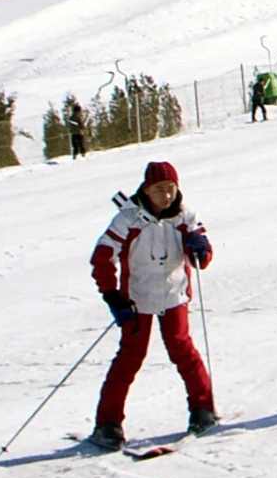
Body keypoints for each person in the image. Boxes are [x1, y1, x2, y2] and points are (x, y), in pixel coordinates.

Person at [88, 160, 216, 450]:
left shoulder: (185, 217)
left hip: (174, 296)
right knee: (130, 358)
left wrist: (200, 249)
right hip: (138, 300)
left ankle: (203, 410)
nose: (167, 196)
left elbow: (203, 257)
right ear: (146, 189)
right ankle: (108, 423)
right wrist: (112, 296)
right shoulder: (128, 219)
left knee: (183, 350)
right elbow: (102, 257)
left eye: (171, 189)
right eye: (160, 189)